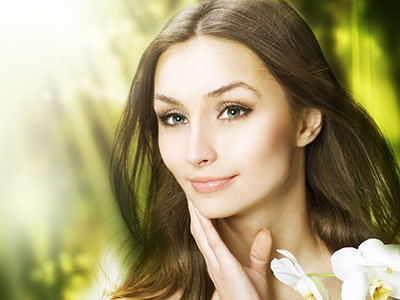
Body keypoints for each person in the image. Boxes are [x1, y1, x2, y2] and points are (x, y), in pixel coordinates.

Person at [110, 0, 400, 299]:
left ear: (306, 123)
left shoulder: (388, 283)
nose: (195, 153)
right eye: (175, 118)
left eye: (233, 111)